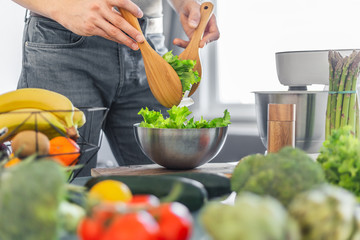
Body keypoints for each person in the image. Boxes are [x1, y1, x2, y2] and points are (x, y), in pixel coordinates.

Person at [12, 0, 220, 176]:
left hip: (149, 47)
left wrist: (183, 2)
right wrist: (61, 6)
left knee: (169, 191)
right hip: (62, 41)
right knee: (55, 194)